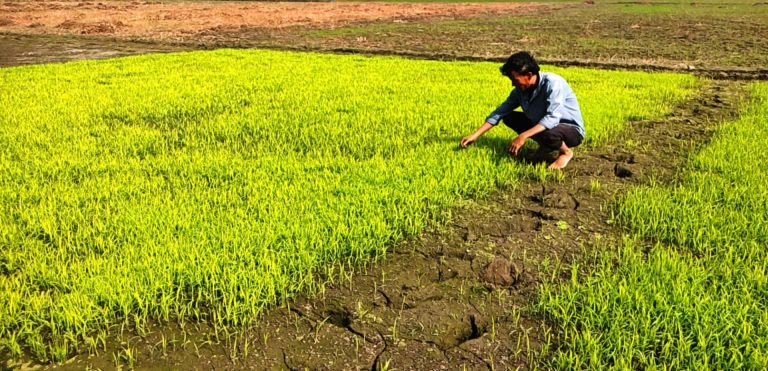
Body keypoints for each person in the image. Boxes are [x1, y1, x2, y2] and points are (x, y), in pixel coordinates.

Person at [460, 51, 585, 169]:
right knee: (509, 117)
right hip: (545, 126)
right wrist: (475, 135)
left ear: (529, 75)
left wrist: (523, 136)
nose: (513, 84)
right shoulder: (520, 91)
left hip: (570, 130)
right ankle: (545, 146)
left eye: (515, 80)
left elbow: (552, 118)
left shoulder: (553, 84)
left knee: (548, 130)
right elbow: (500, 112)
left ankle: (566, 152)